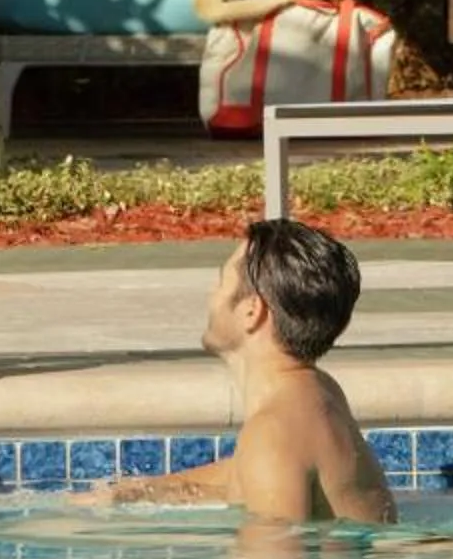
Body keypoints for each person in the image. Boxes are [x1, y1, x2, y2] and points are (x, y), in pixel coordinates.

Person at [89, 219, 396, 525]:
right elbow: (244, 471)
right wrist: (142, 491)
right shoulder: (315, 393)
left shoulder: (273, 434)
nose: (212, 296)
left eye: (221, 283)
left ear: (252, 311)